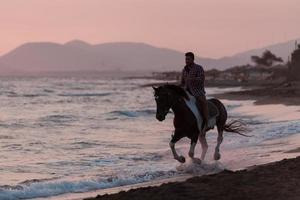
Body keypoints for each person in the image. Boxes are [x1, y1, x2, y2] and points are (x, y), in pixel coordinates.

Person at [180, 52, 209, 132]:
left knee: (204, 103)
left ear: (193, 59)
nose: (186, 60)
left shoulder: (198, 68)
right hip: (187, 92)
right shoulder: (184, 70)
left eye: (188, 59)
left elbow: (201, 79)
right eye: (186, 59)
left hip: (198, 92)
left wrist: (191, 79)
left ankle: (206, 122)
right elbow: (182, 83)